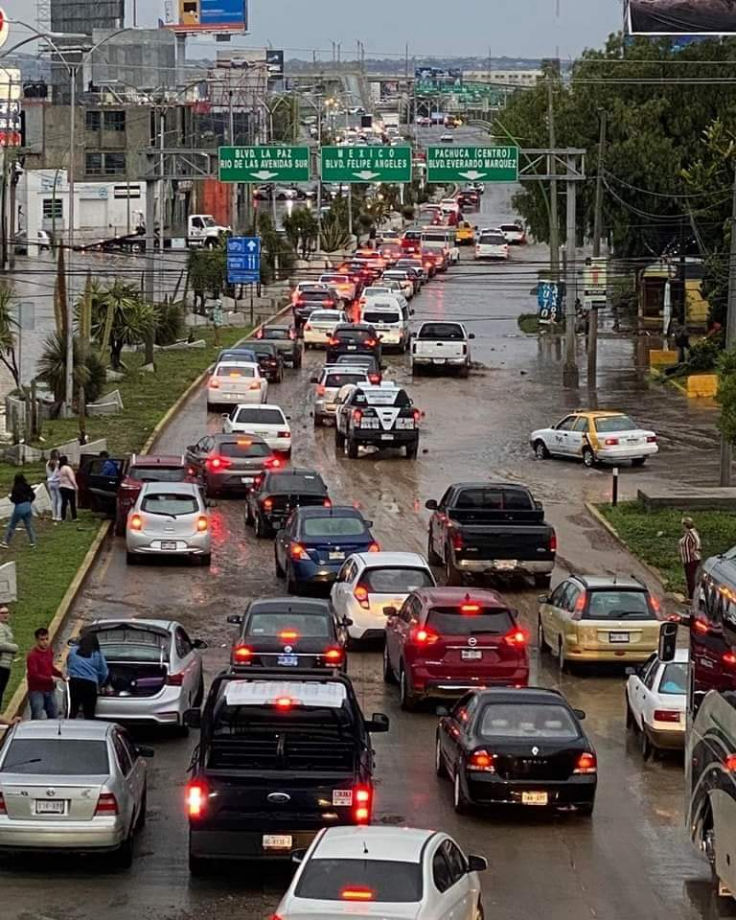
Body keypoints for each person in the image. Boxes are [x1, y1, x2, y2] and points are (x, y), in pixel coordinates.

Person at [67, 631, 108, 720]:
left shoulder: (73, 650)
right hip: (90, 684)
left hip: (74, 683)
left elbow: (69, 664)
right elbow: (104, 672)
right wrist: (99, 683)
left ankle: (69, 727)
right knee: (89, 712)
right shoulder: (97, 653)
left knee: (73, 708)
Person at [27, 628, 64, 720]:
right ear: (37, 640)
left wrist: (60, 674)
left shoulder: (49, 651)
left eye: (47, 639)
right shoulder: (32, 656)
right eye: (42, 640)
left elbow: (50, 667)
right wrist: (50, 679)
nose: (45, 642)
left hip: (49, 688)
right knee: (37, 715)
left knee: (54, 714)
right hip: (36, 690)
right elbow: (33, 675)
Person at [1, 473, 36, 548]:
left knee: (12, 525)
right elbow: (33, 495)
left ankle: (5, 542)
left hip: (19, 507)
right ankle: (33, 542)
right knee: (28, 525)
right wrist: (29, 502)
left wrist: (10, 497)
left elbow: (14, 500)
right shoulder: (27, 486)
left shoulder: (15, 488)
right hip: (28, 506)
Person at [679, 516, 702, 601]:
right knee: (689, 578)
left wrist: (694, 549)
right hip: (687, 560)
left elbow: (697, 542)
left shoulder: (691, 533)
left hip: (692, 560)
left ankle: (692, 598)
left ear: (685, 525)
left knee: (691, 578)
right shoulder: (687, 533)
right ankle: (690, 596)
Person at [0, 605, 17, 710]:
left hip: (6, 664)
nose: (6, 615)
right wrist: (15, 647)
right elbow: (1, 644)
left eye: (7, 612)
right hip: (1, 664)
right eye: (2, 613)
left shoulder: (5, 627)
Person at [58, 455, 78, 522]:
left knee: (64, 502)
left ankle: (63, 517)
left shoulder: (60, 468)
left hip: (62, 487)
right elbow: (71, 478)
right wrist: (75, 486)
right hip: (69, 487)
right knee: (72, 503)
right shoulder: (67, 468)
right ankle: (74, 517)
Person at [46, 449, 62, 522]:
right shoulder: (58, 463)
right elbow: (57, 473)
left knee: (53, 499)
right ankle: (59, 516)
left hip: (50, 482)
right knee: (59, 499)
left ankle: (53, 515)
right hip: (57, 482)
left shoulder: (47, 463)